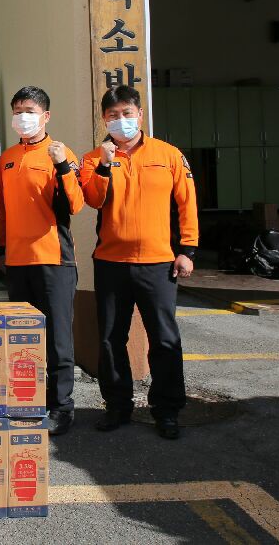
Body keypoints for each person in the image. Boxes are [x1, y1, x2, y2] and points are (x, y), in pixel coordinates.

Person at [79, 85, 198, 440]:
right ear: (104, 119)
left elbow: (187, 203)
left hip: (158, 263)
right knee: (110, 338)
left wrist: (188, 250)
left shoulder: (169, 155)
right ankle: (117, 406)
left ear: (140, 114)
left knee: (164, 338)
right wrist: (104, 164)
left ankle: (167, 410)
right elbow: (93, 199)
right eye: (113, 115)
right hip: (111, 261)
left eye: (127, 113)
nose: (121, 120)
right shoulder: (93, 158)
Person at [0, 85, 84, 435]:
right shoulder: (8, 157)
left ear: (45, 116)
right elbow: (5, 209)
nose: (23, 117)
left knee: (58, 338)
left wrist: (61, 164)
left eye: (29, 111)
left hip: (53, 259)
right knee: (24, 338)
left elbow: (75, 204)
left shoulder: (60, 153)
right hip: (18, 260)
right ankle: (29, 399)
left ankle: (62, 407)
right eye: (17, 111)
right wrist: (2, 248)